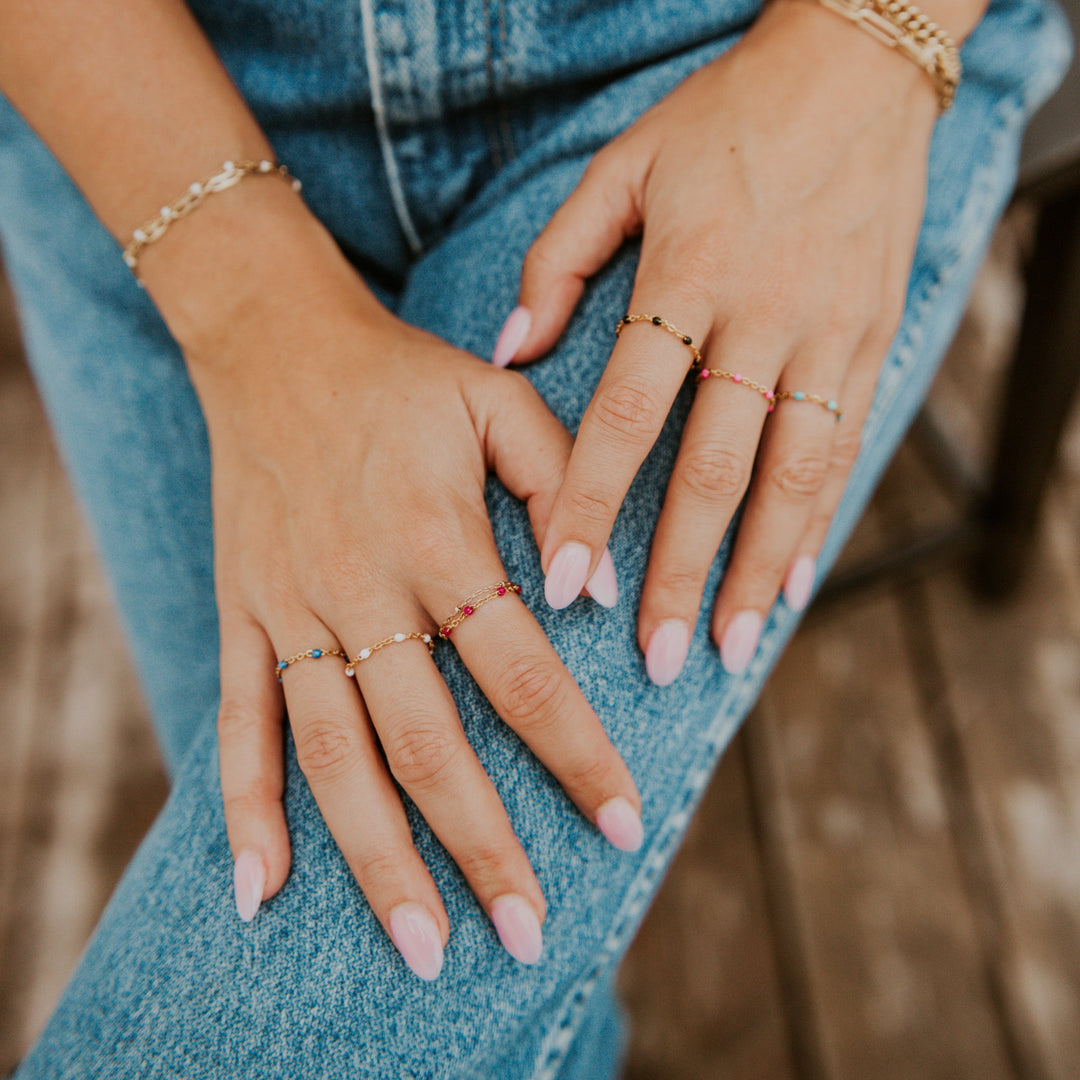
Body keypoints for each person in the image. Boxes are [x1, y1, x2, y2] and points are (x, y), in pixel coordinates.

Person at [0, 0, 1070, 1074]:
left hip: (751, 63)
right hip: (141, 113)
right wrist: (245, 304)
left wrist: (871, 37)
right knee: (411, 914)